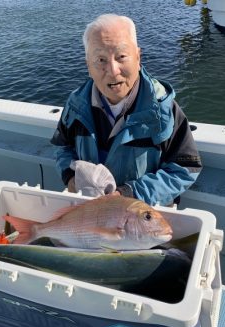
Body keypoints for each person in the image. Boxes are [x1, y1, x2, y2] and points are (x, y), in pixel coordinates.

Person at [50, 14, 202, 206]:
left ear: (138, 57)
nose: (113, 70)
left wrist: (129, 194)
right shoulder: (75, 105)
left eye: (121, 56)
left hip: (142, 216)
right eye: (100, 59)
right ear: (88, 65)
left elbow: (186, 168)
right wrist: (70, 178)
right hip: (88, 210)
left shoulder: (164, 110)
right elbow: (62, 147)